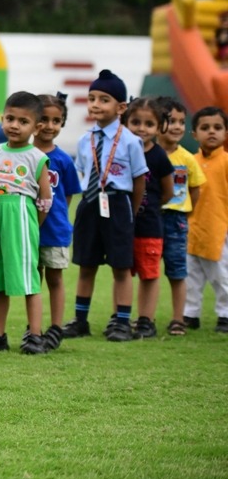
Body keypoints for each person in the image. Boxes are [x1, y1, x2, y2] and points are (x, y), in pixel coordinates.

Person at [63, 69, 148, 342]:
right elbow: (83, 174)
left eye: (104, 99)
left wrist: (131, 213)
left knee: (121, 267)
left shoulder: (131, 141)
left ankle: (122, 322)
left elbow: (138, 182)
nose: (96, 105)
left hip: (119, 205)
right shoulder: (84, 140)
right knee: (86, 264)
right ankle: (80, 320)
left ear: (121, 107)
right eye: (91, 98)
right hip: (89, 205)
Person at [0, 92, 52, 354]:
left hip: (20, 213)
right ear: (2, 119)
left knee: (26, 276)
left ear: (36, 127)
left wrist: (34, 222)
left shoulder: (36, 157)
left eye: (23, 121)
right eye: (10, 118)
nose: (14, 125)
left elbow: (45, 198)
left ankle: (35, 334)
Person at [119, 97, 174, 338]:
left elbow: (168, 191)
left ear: (159, 126)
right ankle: (121, 319)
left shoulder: (160, 156)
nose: (142, 128)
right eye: (136, 122)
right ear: (125, 122)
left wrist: (147, 207)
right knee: (121, 271)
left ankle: (146, 320)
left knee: (149, 274)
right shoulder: (121, 150)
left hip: (150, 226)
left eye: (149, 124)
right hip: (122, 224)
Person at [32, 93, 81, 351]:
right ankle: (34, 329)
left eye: (56, 120)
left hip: (55, 231)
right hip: (27, 230)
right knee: (33, 280)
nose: (49, 126)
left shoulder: (63, 159)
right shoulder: (24, 154)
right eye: (43, 119)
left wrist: (57, 218)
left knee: (55, 279)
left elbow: (68, 194)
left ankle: (55, 328)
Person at [156, 97, 205, 336]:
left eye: (181, 122)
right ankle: (144, 317)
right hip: (151, 218)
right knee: (148, 270)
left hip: (176, 219)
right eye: (171, 121)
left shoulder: (187, 158)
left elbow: (195, 188)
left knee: (177, 270)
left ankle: (178, 319)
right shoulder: (149, 154)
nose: (177, 127)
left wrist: (189, 211)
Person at [183, 106, 228, 333]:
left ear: (225, 133)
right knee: (191, 276)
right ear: (194, 134)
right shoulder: (190, 162)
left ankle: (225, 314)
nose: (211, 132)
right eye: (205, 128)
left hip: (220, 229)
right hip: (191, 228)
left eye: (217, 128)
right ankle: (190, 314)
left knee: (222, 275)